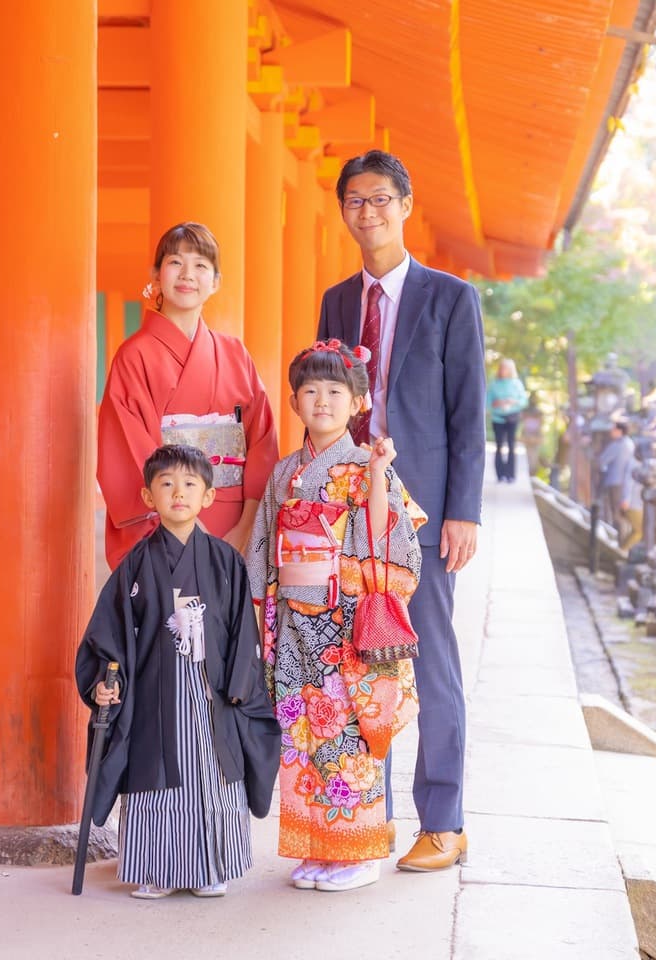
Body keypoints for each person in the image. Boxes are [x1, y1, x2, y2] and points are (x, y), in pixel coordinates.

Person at [316, 149, 485, 872]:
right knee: (355, 659)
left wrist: (463, 511)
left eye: (381, 198)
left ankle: (443, 822)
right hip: (352, 506)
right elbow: (325, 403)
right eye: (356, 200)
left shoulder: (450, 298)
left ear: (406, 206)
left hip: (423, 512)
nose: (369, 212)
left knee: (431, 657)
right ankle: (365, 818)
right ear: (344, 212)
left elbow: (467, 412)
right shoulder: (336, 302)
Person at [245, 340, 425, 893]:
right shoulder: (285, 472)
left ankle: (361, 852)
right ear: (294, 402)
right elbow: (263, 549)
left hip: (343, 627)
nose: (321, 401)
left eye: (334, 391)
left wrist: (378, 474)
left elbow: (385, 537)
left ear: (358, 403)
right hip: (294, 625)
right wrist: (260, 614)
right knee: (302, 736)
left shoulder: (367, 464)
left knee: (347, 736)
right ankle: (319, 847)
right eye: (310, 390)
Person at [75, 444, 280, 900]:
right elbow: (107, 635)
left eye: (190, 484)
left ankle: (212, 867)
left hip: (212, 692)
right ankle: (157, 869)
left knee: (212, 779)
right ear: (149, 497)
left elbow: (243, 631)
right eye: (166, 484)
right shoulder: (134, 565)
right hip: (154, 692)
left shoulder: (226, 561)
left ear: (208, 496)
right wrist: (105, 683)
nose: (178, 493)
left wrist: (240, 686)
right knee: (155, 783)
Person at [98, 222, 280, 569]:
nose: (187, 275)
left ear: (215, 281)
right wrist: (189, 531)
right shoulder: (134, 356)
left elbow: (262, 441)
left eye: (200, 265)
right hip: (164, 524)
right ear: (157, 274)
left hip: (234, 527)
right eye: (175, 262)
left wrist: (246, 527)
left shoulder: (235, 353)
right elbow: (130, 451)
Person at [486, 358, 528, 483]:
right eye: (501, 368)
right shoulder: (494, 384)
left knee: (511, 445)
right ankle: (500, 475)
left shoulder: (516, 384)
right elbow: (487, 403)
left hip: (512, 419)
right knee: (499, 446)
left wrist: (513, 401)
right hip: (498, 419)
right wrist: (496, 403)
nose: (502, 370)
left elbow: (524, 401)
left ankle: (510, 475)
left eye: (505, 368)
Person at [597, 420, 636, 544]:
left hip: (615, 482)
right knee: (623, 514)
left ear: (619, 431)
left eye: (613, 429)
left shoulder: (618, 445)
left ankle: (620, 543)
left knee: (617, 514)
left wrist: (603, 468)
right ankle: (624, 542)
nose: (611, 431)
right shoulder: (630, 443)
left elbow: (602, 460)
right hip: (625, 483)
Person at [519, 394, 545, 479]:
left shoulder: (537, 412)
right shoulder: (527, 411)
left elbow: (541, 423)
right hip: (528, 435)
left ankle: (532, 474)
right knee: (529, 456)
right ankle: (529, 474)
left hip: (534, 435)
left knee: (533, 456)